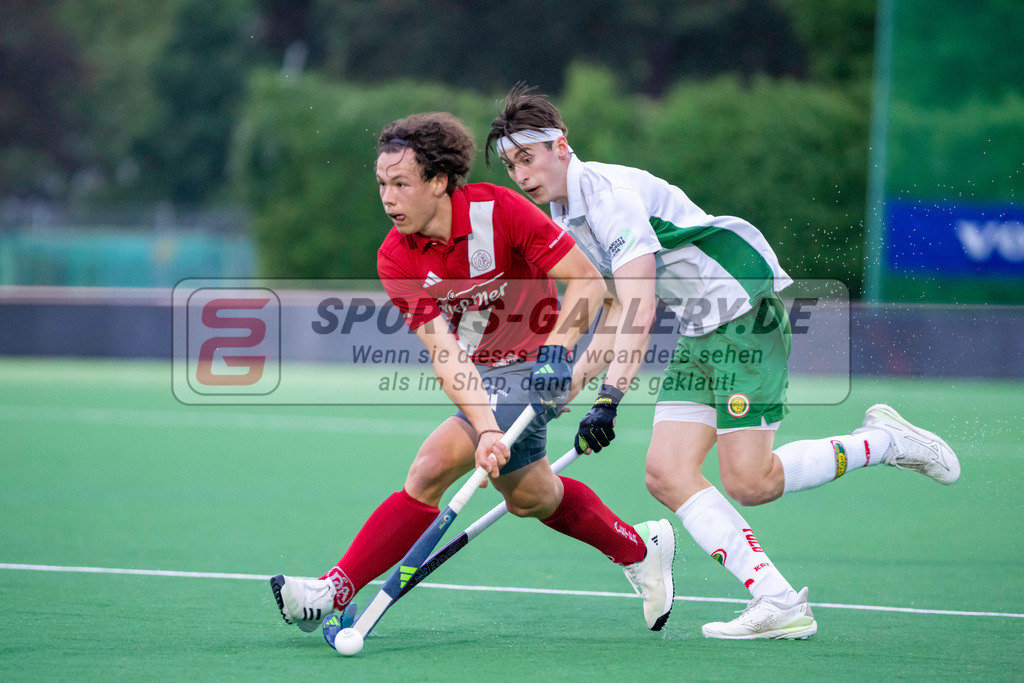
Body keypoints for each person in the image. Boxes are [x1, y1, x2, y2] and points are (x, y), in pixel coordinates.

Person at [486, 85, 961, 640]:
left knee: (751, 481)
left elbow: (638, 307)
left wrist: (610, 400)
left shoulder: (609, 195)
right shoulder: (569, 219)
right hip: (698, 326)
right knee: (666, 472)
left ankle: (883, 442)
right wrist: (564, 394)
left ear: (560, 146)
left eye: (528, 158)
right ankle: (777, 601)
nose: (520, 174)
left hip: (743, 311)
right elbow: (613, 312)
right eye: (510, 165)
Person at [270, 112, 676, 635]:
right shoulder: (396, 258)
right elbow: (445, 353)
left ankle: (334, 589)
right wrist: (485, 427)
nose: (388, 198)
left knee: (431, 465)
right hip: (479, 376)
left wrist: (558, 352)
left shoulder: (499, 208)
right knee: (532, 497)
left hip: (534, 368)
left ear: (438, 182)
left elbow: (588, 282)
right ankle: (639, 548)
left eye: (401, 184)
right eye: (382, 185)